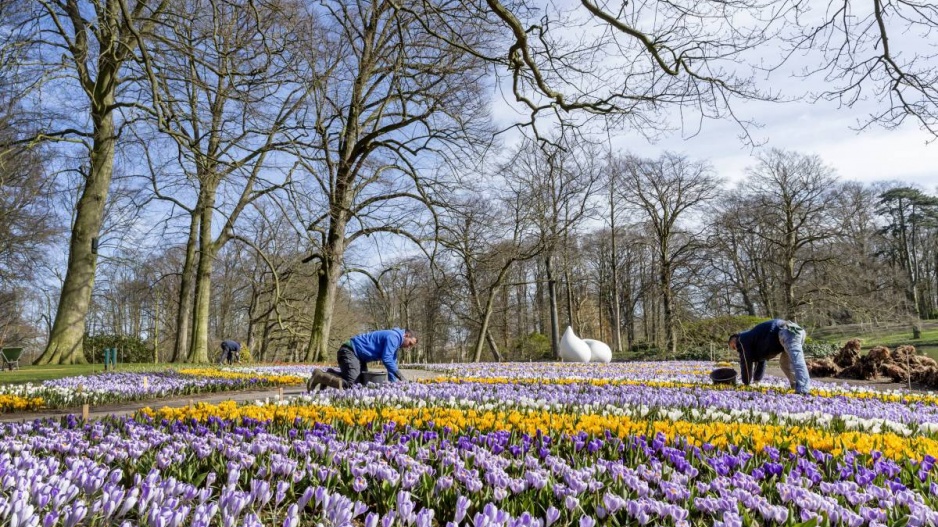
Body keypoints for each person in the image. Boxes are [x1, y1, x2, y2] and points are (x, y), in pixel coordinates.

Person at [308, 328, 417, 390]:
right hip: (350, 351)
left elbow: (391, 363)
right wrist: (401, 376)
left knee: (361, 384)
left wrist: (393, 383)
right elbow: (387, 359)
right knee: (352, 384)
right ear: (406, 335)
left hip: (358, 356)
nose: (409, 347)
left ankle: (329, 374)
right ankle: (321, 376)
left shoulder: (395, 342)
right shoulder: (393, 337)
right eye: (410, 343)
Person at [729, 319, 810, 394]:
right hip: (793, 332)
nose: (736, 349)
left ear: (734, 340)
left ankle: (803, 389)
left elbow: (745, 362)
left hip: (788, 332)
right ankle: (795, 385)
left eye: (733, 347)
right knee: (784, 363)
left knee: (797, 361)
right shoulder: (754, 340)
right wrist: (756, 380)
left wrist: (746, 383)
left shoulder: (741, 339)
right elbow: (761, 359)